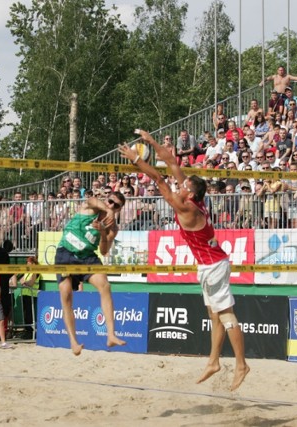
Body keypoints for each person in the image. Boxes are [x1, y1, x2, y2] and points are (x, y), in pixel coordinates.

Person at [119, 130, 249, 391]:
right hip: (209, 264)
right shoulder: (194, 198)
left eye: (185, 185)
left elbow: (157, 177)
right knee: (215, 316)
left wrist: (136, 159)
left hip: (213, 266)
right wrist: (153, 141)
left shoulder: (186, 208)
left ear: (191, 194)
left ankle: (242, 364)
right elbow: (172, 164)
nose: (181, 185)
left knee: (226, 315)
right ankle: (213, 361)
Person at [55, 190, 127, 355]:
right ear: (106, 199)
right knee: (65, 294)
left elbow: (103, 250)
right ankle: (73, 342)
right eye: (110, 201)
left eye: (116, 206)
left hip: (87, 256)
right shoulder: (91, 207)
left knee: (105, 285)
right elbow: (92, 200)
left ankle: (111, 334)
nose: (111, 206)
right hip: (66, 252)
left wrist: (102, 231)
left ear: (119, 210)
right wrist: (107, 210)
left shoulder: (112, 227)